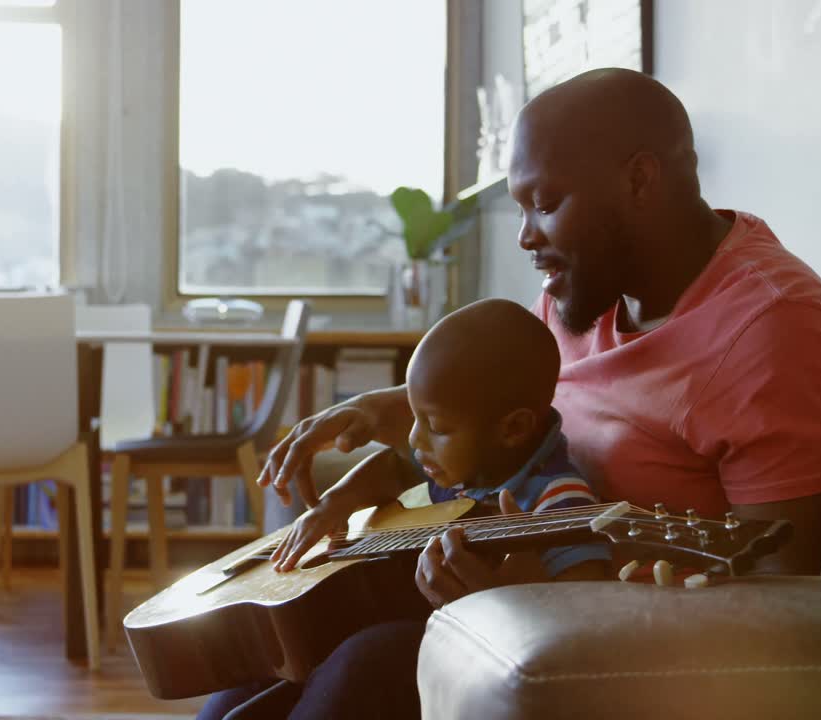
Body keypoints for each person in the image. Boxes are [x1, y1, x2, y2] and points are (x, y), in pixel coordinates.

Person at [240, 68, 821, 718]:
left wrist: (538, 602)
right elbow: (498, 404)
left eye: (544, 204)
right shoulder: (586, 293)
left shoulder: (774, 331)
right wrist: (373, 408)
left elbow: (784, 604)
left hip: (617, 655)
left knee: (364, 668)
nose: (525, 236)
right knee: (261, 663)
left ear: (639, 180)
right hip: (511, 599)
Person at [200, 298, 610, 719]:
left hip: (458, 647)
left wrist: (516, 598)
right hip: (391, 619)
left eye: (436, 426)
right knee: (253, 681)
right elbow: (395, 468)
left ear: (514, 428)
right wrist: (334, 504)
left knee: (354, 669)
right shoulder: (473, 461)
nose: (414, 439)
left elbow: (587, 597)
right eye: (414, 417)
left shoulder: (558, 499)